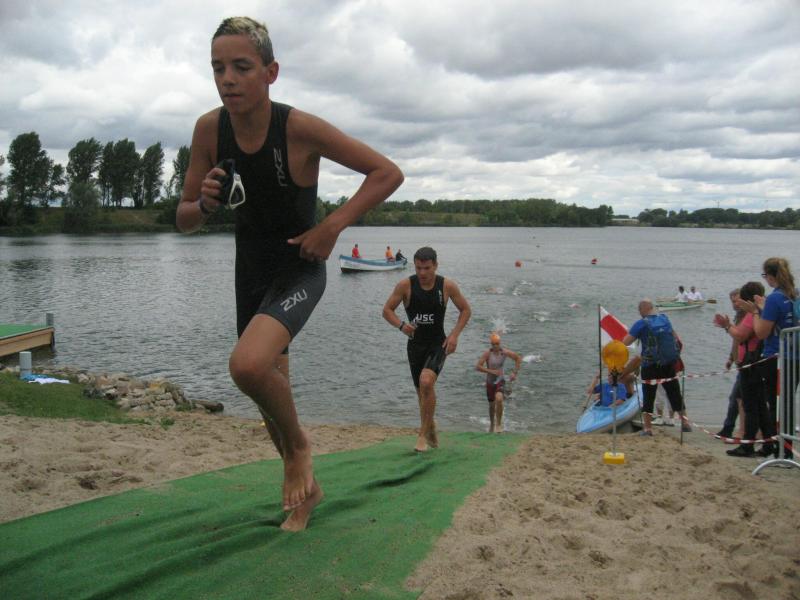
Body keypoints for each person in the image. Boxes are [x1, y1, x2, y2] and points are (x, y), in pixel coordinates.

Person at [175, 17, 403, 531]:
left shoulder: (297, 128)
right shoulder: (209, 129)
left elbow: (387, 172)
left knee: (247, 367)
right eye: (218, 68)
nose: (227, 79)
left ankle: (300, 450)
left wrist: (332, 226)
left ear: (270, 72)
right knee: (271, 400)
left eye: (241, 67)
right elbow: (184, 219)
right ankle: (307, 494)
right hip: (250, 272)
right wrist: (204, 204)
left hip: (300, 266)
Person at [382, 247, 471, 452]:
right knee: (421, 393)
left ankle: (421, 436)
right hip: (415, 345)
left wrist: (454, 335)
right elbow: (387, 310)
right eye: (418, 268)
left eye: (427, 268)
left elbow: (466, 310)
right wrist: (401, 326)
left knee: (426, 382)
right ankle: (430, 427)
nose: (422, 273)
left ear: (435, 266)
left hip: (438, 344)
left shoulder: (446, 286)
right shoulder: (405, 285)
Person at [736, 257, 797, 458]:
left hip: (776, 356)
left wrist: (755, 312)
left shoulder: (775, 298)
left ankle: (780, 449)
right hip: (795, 355)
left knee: (774, 403)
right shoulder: (794, 294)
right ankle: (783, 447)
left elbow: (761, 332)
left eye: (765, 275)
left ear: (770, 276)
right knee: (787, 402)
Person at [715, 281, 769, 457]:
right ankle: (767, 443)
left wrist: (727, 326)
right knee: (759, 405)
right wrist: (731, 358)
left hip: (751, 363)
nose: (738, 303)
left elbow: (740, 335)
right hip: (754, 361)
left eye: (740, 300)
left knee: (749, 404)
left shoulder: (752, 314)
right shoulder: (761, 311)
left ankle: (747, 442)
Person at [622, 300, 691, 436]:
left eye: (639, 310)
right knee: (674, 393)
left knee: (649, 396)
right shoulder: (664, 319)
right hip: (667, 363)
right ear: (652, 308)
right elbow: (676, 339)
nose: (639, 312)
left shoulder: (641, 323)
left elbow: (626, 342)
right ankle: (685, 423)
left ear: (643, 309)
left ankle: (648, 429)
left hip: (650, 365)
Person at [475, 333, 522, 433]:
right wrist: (491, 371)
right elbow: (478, 367)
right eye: (493, 344)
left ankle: (499, 424)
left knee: (499, 399)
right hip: (490, 382)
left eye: (497, 344)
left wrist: (514, 373)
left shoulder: (504, 352)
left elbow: (518, 358)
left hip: (500, 380)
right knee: (492, 405)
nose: (495, 346)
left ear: (500, 343)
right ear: (491, 344)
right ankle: (492, 424)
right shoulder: (487, 354)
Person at [715, 288, 745, 439]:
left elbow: (739, 338)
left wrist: (728, 326)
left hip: (746, 362)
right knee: (736, 398)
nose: (734, 304)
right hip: (740, 362)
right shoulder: (739, 316)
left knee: (738, 397)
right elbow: (735, 341)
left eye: (736, 301)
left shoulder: (746, 316)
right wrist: (731, 359)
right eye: (732, 302)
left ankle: (735, 430)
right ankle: (729, 428)